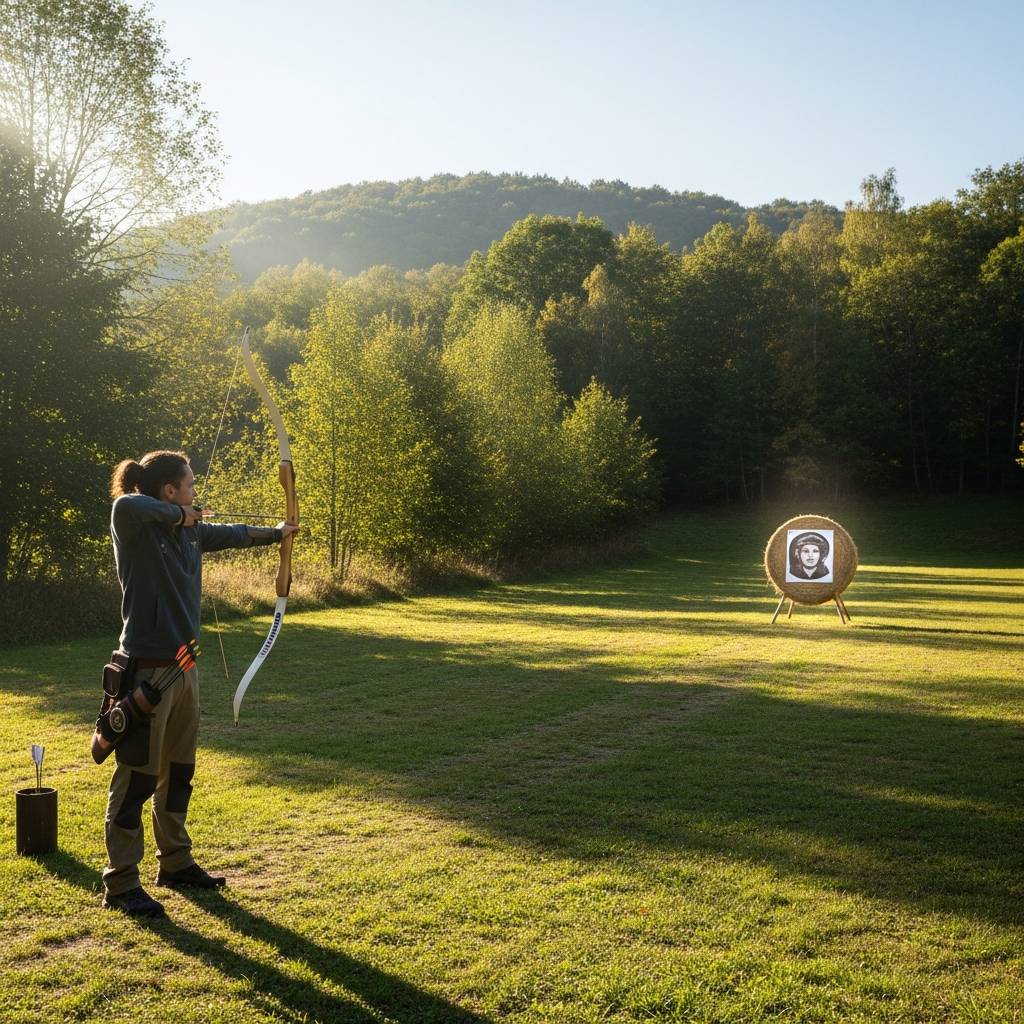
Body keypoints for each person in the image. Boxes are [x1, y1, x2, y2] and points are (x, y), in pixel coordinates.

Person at [101, 450, 299, 917]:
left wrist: (280, 533)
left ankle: (175, 862)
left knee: (178, 773)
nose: (196, 492)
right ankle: (121, 882)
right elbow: (127, 505)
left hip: (184, 668)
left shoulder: (190, 533)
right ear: (169, 490)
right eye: (189, 484)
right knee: (136, 778)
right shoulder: (134, 522)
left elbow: (232, 534)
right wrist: (179, 514)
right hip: (147, 671)